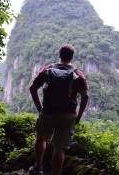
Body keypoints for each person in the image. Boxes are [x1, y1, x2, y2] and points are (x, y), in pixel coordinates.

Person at [28, 44, 89, 175]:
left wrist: (40, 108)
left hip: (48, 112)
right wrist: (78, 116)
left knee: (41, 138)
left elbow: (33, 88)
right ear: (72, 57)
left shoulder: (48, 69)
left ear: (59, 55)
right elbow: (85, 96)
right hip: (68, 115)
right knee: (59, 147)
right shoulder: (78, 74)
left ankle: (38, 167)